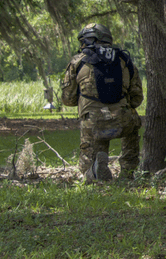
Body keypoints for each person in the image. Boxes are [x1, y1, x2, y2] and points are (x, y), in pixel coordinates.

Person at [61, 23, 143, 181]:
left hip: (94, 124)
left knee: (93, 132)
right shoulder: (124, 60)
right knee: (133, 123)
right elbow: (136, 99)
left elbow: (68, 99)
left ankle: (94, 168)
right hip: (122, 121)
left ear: (89, 40)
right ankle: (127, 171)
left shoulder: (78, 62)